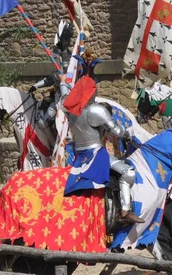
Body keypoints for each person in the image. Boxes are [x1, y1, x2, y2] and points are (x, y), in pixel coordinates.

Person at [56, 72, 145, 224]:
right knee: (128, 172)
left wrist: (63, 82)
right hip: (96, 155)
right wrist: (127, 132)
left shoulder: (69, 109)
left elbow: (64, 96)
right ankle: (125, 212)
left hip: (79, 156)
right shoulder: (95, 110)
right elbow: (116, 131)